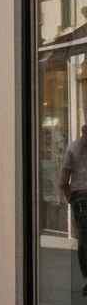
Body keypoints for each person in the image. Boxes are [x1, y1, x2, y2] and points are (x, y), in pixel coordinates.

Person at [60, 123, 87, 295]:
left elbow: (64, 178)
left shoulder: (73, 148)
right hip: (80, 196)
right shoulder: (74, 148)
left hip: (80, 197)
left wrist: (69, 196)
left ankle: (86, 279)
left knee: (84, 237)